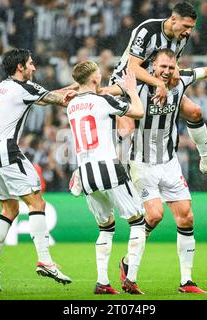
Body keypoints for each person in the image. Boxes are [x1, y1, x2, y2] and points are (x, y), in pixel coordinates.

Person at [115, 48, 207, 294]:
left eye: (171, 67)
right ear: (153, 66)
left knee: (187, 217)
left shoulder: (182, 80)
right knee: (155, 215)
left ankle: (186, 281)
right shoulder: (136, 84)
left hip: (169, 162)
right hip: (142, 163)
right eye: (163, 67)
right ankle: (129, 269)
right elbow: (110, 94)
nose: (167, 71)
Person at [0, 48, 76, 292]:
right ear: (20, 67)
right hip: (7, 152)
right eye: (31, 64)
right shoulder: (22, 87)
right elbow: (52, 98)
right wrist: (81, 88)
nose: (34, 68)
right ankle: (45, 260)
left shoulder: (3, 86)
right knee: (37, 203)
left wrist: (63, 95)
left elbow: (45, 98)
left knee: (10, 208)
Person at [109, 1, 207, 176]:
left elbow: (170, 62)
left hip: (154, 85)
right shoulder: (147, 30)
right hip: (127, 83)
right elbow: (132, 67)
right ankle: (103, 171)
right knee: (127, 129)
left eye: (192, 27)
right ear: (173, 19)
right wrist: (160, 84)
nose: (188, 31)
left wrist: (174, 71)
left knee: (194, 111)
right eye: (186, 26)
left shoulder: (182, 37)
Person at [67, 61, 146, 295]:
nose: (101, 76)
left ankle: (102, 282)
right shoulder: (104, 102)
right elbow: (138, 112)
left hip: (86, 172)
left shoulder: (71, 105)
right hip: (108, 167)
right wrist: (131, 89)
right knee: (137, 222)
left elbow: (89, 99)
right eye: (99, 73)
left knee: (105, 228)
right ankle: (130, 279)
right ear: (93, 79)